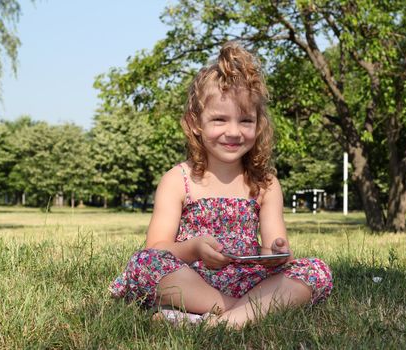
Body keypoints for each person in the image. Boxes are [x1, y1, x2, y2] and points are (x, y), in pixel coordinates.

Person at [109, 41, 333, 328]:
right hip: (193, 282)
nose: (233, 132)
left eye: (245, 120)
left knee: (317, 271)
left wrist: (276, 253)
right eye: (219, 119)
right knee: (143, 263)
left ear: (259, 124)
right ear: (195, 123)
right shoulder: (178, 180)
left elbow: (276, 252)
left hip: (251, 281)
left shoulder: (265, 184)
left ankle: (218, 323)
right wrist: (193, 249)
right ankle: (237, 313)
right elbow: (157, 249)